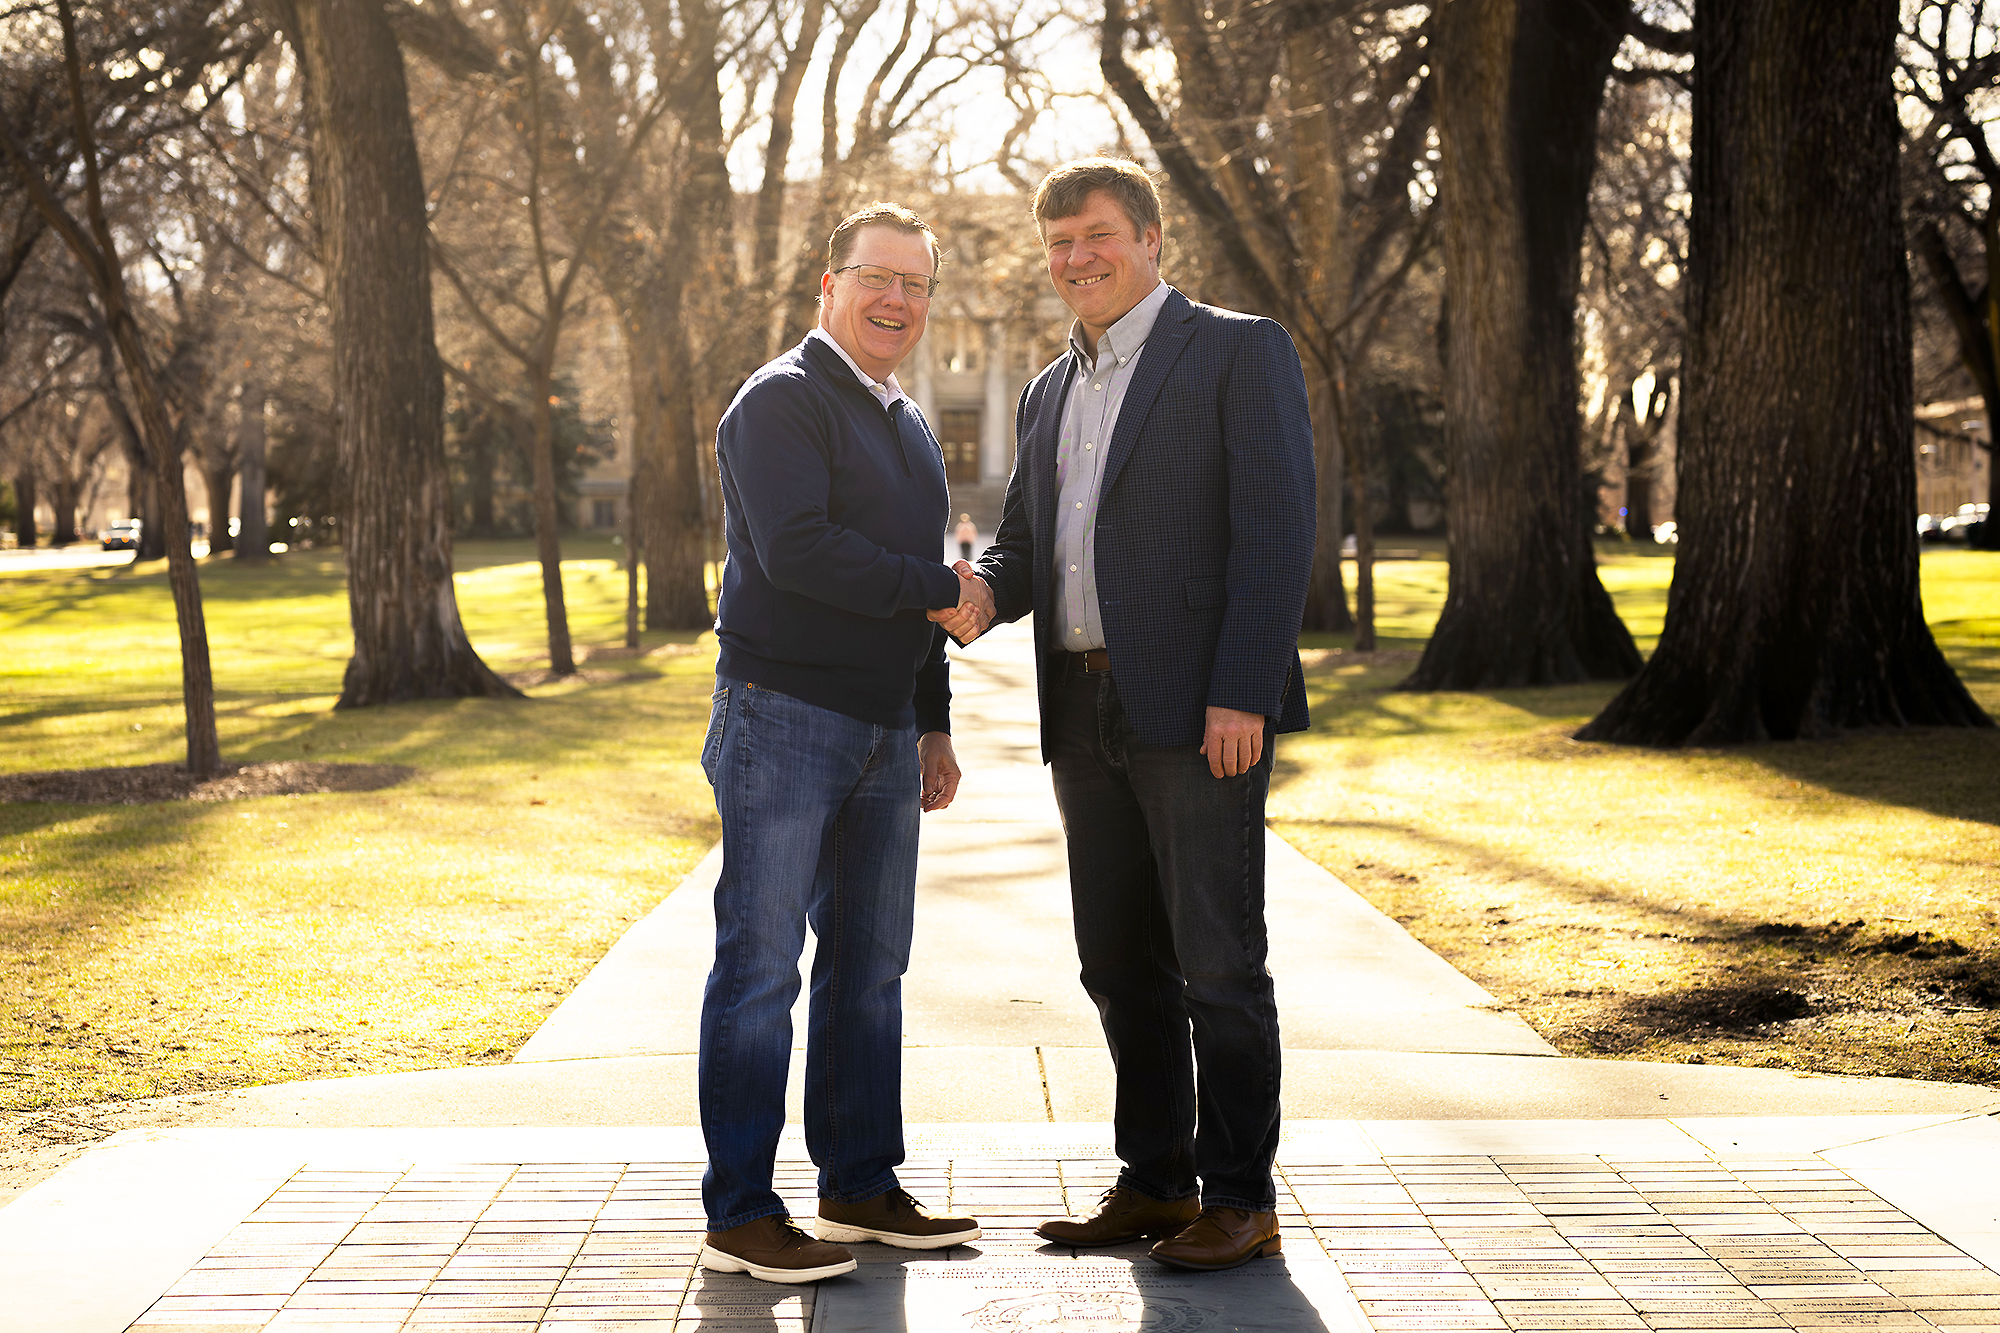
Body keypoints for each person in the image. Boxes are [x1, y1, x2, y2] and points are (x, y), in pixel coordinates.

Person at [935, 159, 1314, 1272]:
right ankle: (1154, 1179)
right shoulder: (1048, 388)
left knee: (1217, 962)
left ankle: (1239, 1195)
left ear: (1152, 239)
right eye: (1056, 243)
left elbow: (1274, 528)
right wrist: (977, 596)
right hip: (1081, 708)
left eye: (1094, 235)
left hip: (1201, 711)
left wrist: (1242, 685)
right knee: (1116, 961)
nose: (1075, 259)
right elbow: (1024, 548)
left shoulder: (1238, 350)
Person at [697, 201, 993, 1285]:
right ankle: (738, 1211)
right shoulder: (778, 400)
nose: (897, 301)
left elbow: (914, 587)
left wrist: (931, 719)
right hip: (781, 719)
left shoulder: (908, 424)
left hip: (879, 731)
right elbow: (797, 552)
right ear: (828, 286)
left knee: (869, 970)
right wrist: (944, 589)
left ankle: (858, 1184)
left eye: (915, 285)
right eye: (878, 278)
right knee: (760, 966)